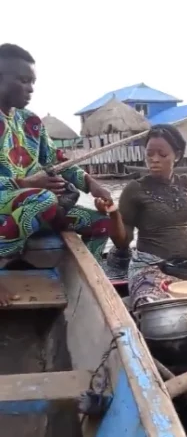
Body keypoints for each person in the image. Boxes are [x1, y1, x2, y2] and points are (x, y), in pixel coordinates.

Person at [0, 43, 112, 305]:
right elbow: (31, 189)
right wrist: (24, 183)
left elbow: (56, 161)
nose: (31, 88)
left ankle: (84, 291)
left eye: (33, 82)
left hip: (33, 205)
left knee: (100, 223)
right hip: (14, 203)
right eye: (23, 80)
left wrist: (92, 184)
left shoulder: (30, 121)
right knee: (43, 200)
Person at [96, 124, 187, 311]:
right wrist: (112, 213)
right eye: (149, 154)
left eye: (162, 155)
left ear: (177, 155)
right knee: (155, 305)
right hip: (153, 268)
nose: (154, 160)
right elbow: (122, 241)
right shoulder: (135, 189)